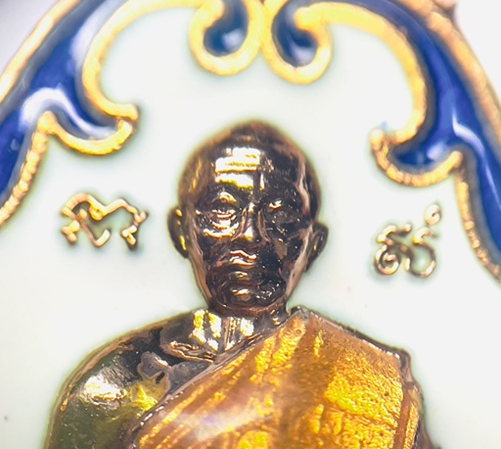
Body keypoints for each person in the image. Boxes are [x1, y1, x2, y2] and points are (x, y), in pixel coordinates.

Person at [45, 121, 433, 448]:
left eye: (280, 217)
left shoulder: (366, 383)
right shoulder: (118, 382)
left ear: (313, 244)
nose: (250, 236)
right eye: (223, 210)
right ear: (181, 231)